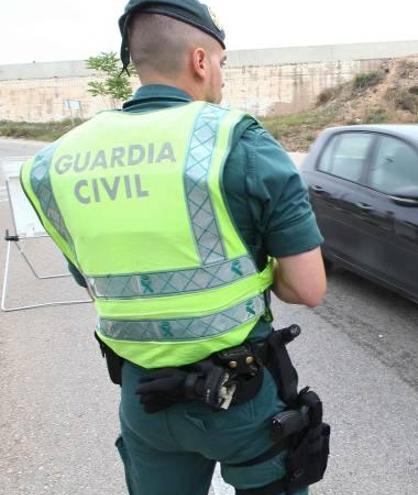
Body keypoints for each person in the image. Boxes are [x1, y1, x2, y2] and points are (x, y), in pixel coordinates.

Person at [19, 1, 329, 493]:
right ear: (200, 60)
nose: (222, 78)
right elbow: (308, 288)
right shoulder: (238, 142)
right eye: (222, 64)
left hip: (144, 398)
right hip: (241, 399)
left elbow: (98, 288)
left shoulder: (55, 164)